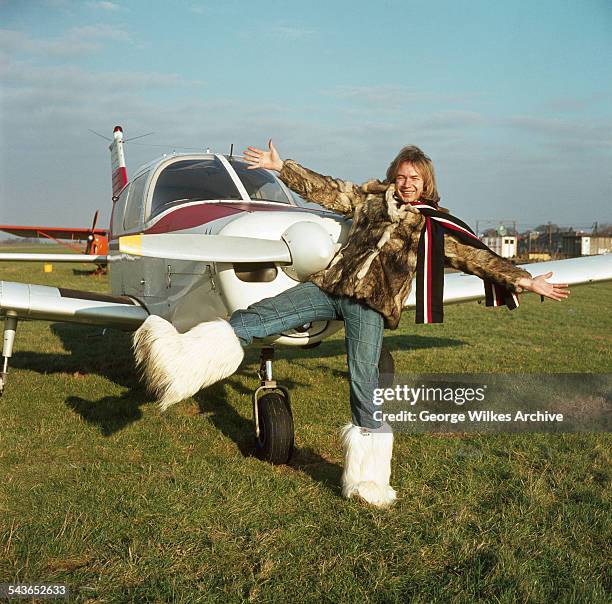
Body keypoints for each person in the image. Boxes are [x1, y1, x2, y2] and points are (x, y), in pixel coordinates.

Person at [134, 141, 570, 508]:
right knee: (256, 318)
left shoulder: (433, 226)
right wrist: (282, 167)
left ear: (426, 182)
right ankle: (181, 364)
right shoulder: (371, 201)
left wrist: (523, 278)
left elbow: (476, 257)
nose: (406, 183)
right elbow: (327, 192)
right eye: (401, 176)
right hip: (330, 288)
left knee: (364, 385)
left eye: (414, 178)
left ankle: (369, 481)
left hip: (370, 307)